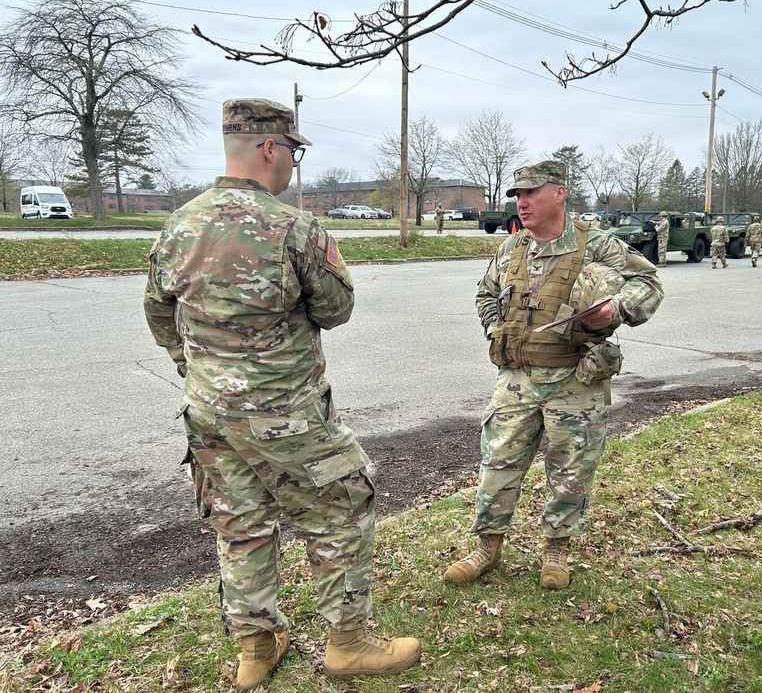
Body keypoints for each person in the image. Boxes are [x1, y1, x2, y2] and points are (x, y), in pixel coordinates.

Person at [143, 97, 420, 689]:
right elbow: (336, 308)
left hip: (209, 413)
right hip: (286, 415)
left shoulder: (180, 223)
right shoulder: (294, 228)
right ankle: (347, 644)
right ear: (270, 147)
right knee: (340, 509)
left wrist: (199, 370)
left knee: (240, 525)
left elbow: (159, 311)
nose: (293, 162)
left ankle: (256, 648)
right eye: (292, 150)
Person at [443, 160, 663, 590]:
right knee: (498, 465)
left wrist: (615, 309)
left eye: (531, 194)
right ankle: (488, 546)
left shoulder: (596, 244)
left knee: (570, 470)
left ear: (559, 193)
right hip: (517, 379)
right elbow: (485, 294)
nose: (522, 203)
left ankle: (556, 548)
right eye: (518, 196)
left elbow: (649, 284)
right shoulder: (511, 248)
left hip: (575, 379)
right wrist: (496, 331)